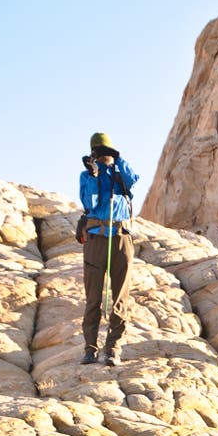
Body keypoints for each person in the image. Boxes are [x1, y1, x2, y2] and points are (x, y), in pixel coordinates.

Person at [78, 132, 139, 366]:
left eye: (106, 152)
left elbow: (132, 180)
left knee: (120, 298)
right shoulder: (87, 176)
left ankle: (113, 348)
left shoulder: (120, 174)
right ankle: (90, 349)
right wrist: (94, 175)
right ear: (92, 155)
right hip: (96, 239)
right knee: (93, 298)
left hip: (121, 238)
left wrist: (118, 159)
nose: (103, 156)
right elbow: (90, 203)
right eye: (99, 153)